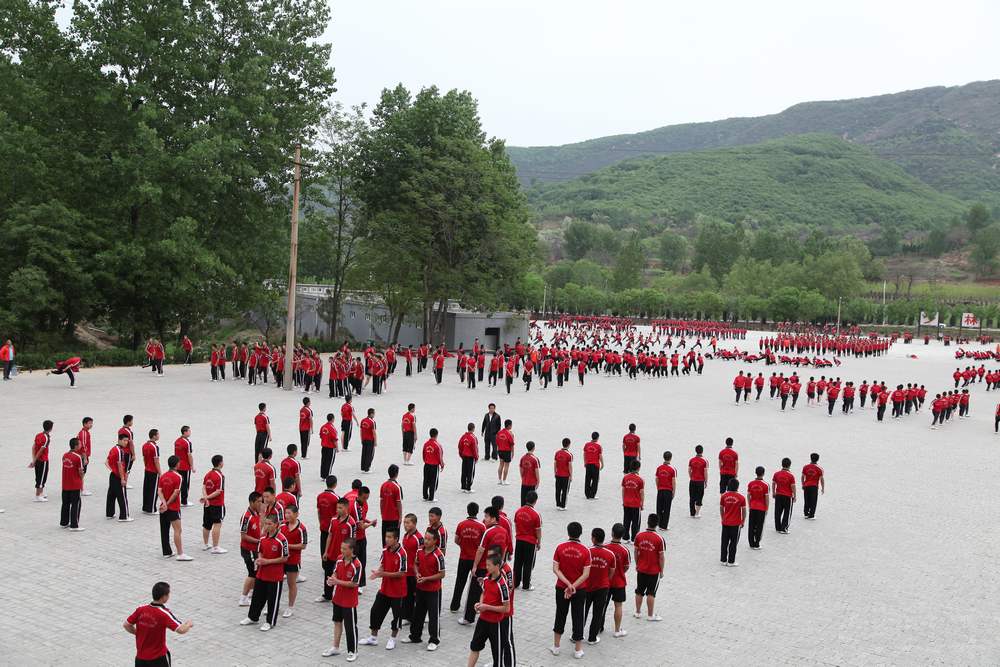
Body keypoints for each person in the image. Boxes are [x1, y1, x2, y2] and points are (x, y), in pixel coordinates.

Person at [124, 581, 193, 666]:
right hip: (158, 658)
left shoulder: (141, 609)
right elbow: (181, 630)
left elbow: (127, 625)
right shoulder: (164, 614)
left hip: (140, 659)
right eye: (168, 594)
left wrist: (137, 633)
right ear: (164, 597)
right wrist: (188, 624)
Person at [360, 528, 408, 650]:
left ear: (396, 539)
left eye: (390, 537)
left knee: (396, 617)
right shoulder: (385, 550)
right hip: (385, 589)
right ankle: (373, 637)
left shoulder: (402, 554)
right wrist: (378, 572)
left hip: (398, 592)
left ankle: (392, 639)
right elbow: (383, 565)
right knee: (375, 611)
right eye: (386, 536)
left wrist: (383, 574)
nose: (387, 539)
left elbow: (402, 573)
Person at [550, 521, 591, 659]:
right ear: (580, 533)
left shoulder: (560, 547)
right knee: (578, 616)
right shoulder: (586, 550)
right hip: (579, 590)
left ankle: (556, 646)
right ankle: (578, 650)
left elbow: (555, 569)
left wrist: (567, 584)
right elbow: (586, 574)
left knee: (560, 614)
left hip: (561, 588)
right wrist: (573, 586)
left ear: (568, 532)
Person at [241, 513, 288, 632]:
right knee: (257, 597)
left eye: (270, 524)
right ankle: (253, 617)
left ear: (277, 525)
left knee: (273, 599)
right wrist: (260, 559)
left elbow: (285, 558)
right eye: (265, 523)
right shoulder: (262, 537)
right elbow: (259, 551)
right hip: (262, 573)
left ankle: (269, 621)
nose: (267, 526)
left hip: (275, 576)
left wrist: (268, 561)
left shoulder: (282, 540)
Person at [466, 551, 513, 667]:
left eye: (489, 565)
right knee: (474, 646)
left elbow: (506, 608)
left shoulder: (503, 585)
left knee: (497, 655)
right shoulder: (486, 578)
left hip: (495, 624)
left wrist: (487, 607)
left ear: (497, 566)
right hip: (482, 621)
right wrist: (480, 604)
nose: (486, 567)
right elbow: (484, 592)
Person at [462, 506, 507, 626]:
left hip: (483, 565)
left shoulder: (488, 531)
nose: (484, 519)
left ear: (493, 518)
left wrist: (475, 566)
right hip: (496, 567)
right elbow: (505, 548)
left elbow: (480, 550)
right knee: (489, 591)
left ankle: (468, 617)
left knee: (473, 592)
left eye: (486, 517)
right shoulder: (504, 531)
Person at [406, 529, 446, 650]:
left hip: (433, 590)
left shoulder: (439, 556)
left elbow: (442, 574)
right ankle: (415, 636)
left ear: (435, 541)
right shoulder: (420, 550)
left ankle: (434, 640)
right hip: (420, 588)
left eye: (429, 539)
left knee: (433, 615)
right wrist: (417, 573)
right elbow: (415, 564)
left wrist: (427, 579)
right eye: (425, 538)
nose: (426, 541)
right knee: (418, 613)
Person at [319, 497, 357, 602]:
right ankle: (327, 595)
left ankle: (341, 597)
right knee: (328, 574)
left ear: (346, 508)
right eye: (337, 508)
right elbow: (330, 536)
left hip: (343, 556)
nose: (337, 510)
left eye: (340, 508)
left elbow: (353, 541)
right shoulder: (333, 520)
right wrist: (326, 551)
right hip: (331, 553)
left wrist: (349, 556)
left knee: (342, 576)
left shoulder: (351, 523)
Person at [452, 502, 486, 612]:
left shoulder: (461, 524)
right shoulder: (482, 526)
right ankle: (473, 608)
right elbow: (483, 544)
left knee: (459, 582)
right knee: (475, 586)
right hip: (475, 560)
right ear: (477, 511)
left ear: (467, 511)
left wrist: (463, 546)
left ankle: (454, 606)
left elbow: (456, 540)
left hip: (463, 558)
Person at [584, 527, 615, 645]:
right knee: (598, 613)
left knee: (583, 611)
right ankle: (592, 637)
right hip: (602, 587)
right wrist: (606, 580)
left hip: (587, 586)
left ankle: (577, 634)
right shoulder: (610, 554)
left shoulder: (587, 551)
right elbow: (612, 571)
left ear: (593, 538)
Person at [158, 455, 192, 561]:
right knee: (178, 530)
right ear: (177, 464)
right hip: (173, 508)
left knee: (164, 530)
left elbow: (159, 491)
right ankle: (180, 553)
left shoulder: (163, 476)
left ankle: (166, 552)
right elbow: (176, 493)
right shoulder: (178, 477)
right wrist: (167, 504)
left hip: (163, 507)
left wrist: (163, 503)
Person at [632, 513, 665, 622]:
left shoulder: (639, 535)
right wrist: (662, 571)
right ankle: (650, 615)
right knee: (651, 593)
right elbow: (661, 557)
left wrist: (637, 564)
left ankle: (637, 612)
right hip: (653, 570)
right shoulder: (659, 539)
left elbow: (636, 551)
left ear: (647, 522)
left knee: (639, 590)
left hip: (641, 569)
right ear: (657, 524)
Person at [279, 503, 307, 618]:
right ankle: (273, 604)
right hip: (280, 559)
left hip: (293, 560)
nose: (287, 515)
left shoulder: (302, 528)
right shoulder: (282, 526)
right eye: (286, 513)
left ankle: (290, 607)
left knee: (291, 584)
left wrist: (287, 546)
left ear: (296, 514)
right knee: (276, 583)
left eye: (289, 513)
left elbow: (303, 545)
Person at [604, 524, 631, 638]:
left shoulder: (605, 547)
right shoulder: (625, 550)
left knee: (602, 605)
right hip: (619, 582)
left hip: (606, 582)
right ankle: (617, 630)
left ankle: (599, 626)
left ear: (612, 533)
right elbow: (626, 566)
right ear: (623, 535)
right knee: (618, 606)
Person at [512, 490, 541, 590]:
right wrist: (539, 542)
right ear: (535, 501)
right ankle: (526, 584)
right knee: (528, 564)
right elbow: (538, 530)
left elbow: (516, 524)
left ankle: (515, 583)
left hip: (519, 539)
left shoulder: (518, 511)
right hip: (530, 541)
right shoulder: (536, 514)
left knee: (518, 562)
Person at [239, 492, 263, 607]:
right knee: (252, 573)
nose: (261, 503)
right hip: (248, 550)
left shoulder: (257, 513)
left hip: (255, 549)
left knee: (256, 571)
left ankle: (252, 592)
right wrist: (258, 541)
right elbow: (243, 536)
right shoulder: (246, 517)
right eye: (258, 501)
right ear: (252, 502)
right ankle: (243, 598)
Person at [200, 454, 227, 553]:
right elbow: (218, 491)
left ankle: (206, 544)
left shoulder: (208, 474)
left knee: (206, 524)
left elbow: (203, 487)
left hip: (207, 504)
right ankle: (216, 547)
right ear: (220, 463)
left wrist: (205, 498)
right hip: (217, 504)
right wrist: (207, 497)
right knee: (217, 524)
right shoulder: (220, 476)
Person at [60, 437, 85, 531]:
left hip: (65, 484)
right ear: (76, 446)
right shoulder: (78, 457)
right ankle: (74, 525)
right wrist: (81, 480)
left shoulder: (65, 455)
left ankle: (64, 522)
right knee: (76, 504)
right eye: (79, 444)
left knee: (65, 503)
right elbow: (81, 471)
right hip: (75, 484)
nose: (81, 445)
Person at [719, 478, 746, 566]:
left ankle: (723, 560)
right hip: (736, 523)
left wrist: (723, 518)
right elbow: (744, 511)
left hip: (725, 522)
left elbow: (721, 508)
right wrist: (743, 521)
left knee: (724, 541)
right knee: (733, 543)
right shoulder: (741, 498)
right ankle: (731, 561)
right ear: (737, 487)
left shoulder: (724, 496)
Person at [106, 433, 132, 521]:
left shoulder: (113, 449)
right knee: (122, 496)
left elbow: (106, 462)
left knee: (111, 495)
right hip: (118, 476)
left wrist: (112, 469)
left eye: (127, 441)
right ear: (119, 440)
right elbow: (120, 465)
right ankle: (124, 516)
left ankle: (109, 513)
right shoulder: (120, 451)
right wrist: (122, 478)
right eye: (124, 441)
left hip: (113, 475)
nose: (126, 443)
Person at [380, 465, 404, 546]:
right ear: (397, 474)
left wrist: (382, 513)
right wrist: (400, 517)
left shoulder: (383, 485)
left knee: (385, 537)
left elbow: (381, 501)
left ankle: (385, 552)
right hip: (394, 517)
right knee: (394, 538)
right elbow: (398, 503)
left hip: (385, 517)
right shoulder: (397, 487)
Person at [30, 420, 53, 502]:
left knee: (39, 476)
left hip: (37, 460)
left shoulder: (38, 435)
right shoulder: (46, 438)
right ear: (51, 428)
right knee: (42, 477)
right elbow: (41, 450)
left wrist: (34, 459)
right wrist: (34, 460)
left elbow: (33, 447)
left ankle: (41, 493)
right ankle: (38, 495)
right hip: (43, 460)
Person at [621, 460, 644, 542]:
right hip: (635, 504)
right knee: (635, 522)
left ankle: (625, 537)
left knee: (626, 520)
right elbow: (641, 493)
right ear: (638, 468)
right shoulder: (640, 480)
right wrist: (642, 504)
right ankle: (634, 539)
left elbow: (623, 490)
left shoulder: (625, 477)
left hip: (626, 503)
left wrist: (623, 500)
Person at [746, 467, 768, 550]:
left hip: (752, 506)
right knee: (759, 526)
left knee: (751, 525)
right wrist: (767, 508)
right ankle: (757, 543)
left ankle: (751, 542)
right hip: (761, 508)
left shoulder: (751, 483)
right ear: (763, 473)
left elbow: (748, 495)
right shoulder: (765, 485)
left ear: (755, 472)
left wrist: (749, 505)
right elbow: (766, 498)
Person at [772, 457, 796, 534]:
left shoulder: (776, 474)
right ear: (789, 465)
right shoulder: (791, 476)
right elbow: (793, 486)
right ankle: (784, 528)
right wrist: (794, 495)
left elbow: (773, 483)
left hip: (778, 495)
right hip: (787, 496)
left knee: (777, 511)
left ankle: (778, 527)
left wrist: (773, 492)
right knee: (787, 512)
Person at [141, 430, 162, 514]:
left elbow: (144, 458)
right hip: (153, 471)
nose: (159, 436)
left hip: (147, 469)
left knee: (146, 489)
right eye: (158, 434)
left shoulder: (144, 445)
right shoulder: (155, 447)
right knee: (153, 490)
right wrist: (160, 472)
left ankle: (145, 507)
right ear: (154, 436)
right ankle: (152, 509)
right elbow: (156, 460)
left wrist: (146, 466)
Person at [654, 451, 676, 531]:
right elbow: (673, 481)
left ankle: (658, 523)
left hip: (660, 489)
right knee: (667, 508)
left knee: (659, 507)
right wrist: (673, 491)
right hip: (668, 490)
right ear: (670, 458)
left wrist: (658, 487)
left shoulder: (659, 468)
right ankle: (664, 526)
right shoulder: (672, 469)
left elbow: (656, 479)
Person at [422, 428, 445, 501]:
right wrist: (442, 464)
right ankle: (431, 497)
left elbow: (423, 454)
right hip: (434, 466)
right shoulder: (437, 445)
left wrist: (426, 461)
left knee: (426, 480)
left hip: (426, 465)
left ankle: (425, 496)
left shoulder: (426, 444)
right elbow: (440, 456)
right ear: (436, 435)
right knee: (433, 481)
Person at [174, 426, 195, 507]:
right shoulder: (187, 442)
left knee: (179, 483)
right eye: (189, 431)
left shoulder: (177, 441)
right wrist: (192, 466)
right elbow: (189, 455)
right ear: (185, 432)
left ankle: (177, 499)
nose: (190, 432)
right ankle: (184, 501)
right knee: (185, 484)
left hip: (178, 465)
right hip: (185, 466)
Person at [801, 453, 825, 519]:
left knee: (806, 500)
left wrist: (803, 484)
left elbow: (802, 477)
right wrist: (823, 488)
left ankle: (806, 513)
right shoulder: (819, 468)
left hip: (806, 486)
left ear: (810, 458)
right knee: (813, 500)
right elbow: (821, 479)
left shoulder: (805, 467)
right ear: (818, 459)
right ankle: (811, 515)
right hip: (814, 486)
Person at [459, 423, 479, 492]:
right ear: (473, 428)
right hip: (471, 457)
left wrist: (461, 455)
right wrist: (476, 457)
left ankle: (463, 486)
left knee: (464, 471)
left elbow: (460, 446)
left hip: (464, 456)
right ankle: (468, 488)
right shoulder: (473, 438)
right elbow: (475, 449)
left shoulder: (463, 436)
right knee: (470, 472)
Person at [518, 441, 540, 506]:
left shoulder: (522, 458)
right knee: (531, 501)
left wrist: (523, 477)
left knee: (523, 500)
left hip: (524, 482)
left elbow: (521, 470)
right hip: (532, 483)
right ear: (533, 448)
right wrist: (538, 481)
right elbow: (537, 471)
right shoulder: (535, 459)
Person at [688, 444, 707, 518]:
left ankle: (692, 512)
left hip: (692, 480)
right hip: (700, 481)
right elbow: (705, 472)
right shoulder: (704, 461)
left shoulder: (691, 460)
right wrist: (706, 481)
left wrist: (691, 477)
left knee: (692, 497)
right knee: (700, 496)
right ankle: (697, 513)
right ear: (702, 451)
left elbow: (689, 470)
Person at [553, 438, 573, 510]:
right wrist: (571, 475)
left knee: (558, 490)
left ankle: (558, 504)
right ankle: (563, 505)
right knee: (565, 491)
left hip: (558, 474)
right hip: (565, 475)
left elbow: (555, 463)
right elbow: (570, 466)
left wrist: (555, 471)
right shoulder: (569, 455)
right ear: (569, 444)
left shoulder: (557, 453)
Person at [583, 432, 603, 500]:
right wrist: (602, 464)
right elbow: (600, 456)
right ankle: (592, 494)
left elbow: (584, 454)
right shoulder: (598, 446)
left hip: (588, 464)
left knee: (587, 479)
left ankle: (587, 494)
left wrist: (585, 462)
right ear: (597, 438)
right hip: (595, 465)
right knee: (595, 480)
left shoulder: (586, 445)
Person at [319, 413, 339, 480]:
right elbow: (334, 439)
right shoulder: (332, 428)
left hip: (324, 446)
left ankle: (323, 475)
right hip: (330, 447)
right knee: (330, 462)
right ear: (333, 419)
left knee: (323, 461)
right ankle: (327, 475)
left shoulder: (323, 427)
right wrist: (337, 447)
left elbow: (321, 436)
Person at [77, 417, 94, 497]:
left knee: (82, 473)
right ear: (84, 424)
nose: (91, 425)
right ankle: (81, 489)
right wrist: (85, 458)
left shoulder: (86, 432)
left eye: (91, 423)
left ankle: (80, 488)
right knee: (81, 473)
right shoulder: (83, 433)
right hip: (82, 456)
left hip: (83, 456)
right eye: (89, 423)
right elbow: (83, 446)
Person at [495, 419, 515, 485]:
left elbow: (497, 442)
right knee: (506, 466)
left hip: (500, 450)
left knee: (501, 465)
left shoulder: (499, 432)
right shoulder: (510, 434)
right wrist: (513, 453)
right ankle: (504, 480)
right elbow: (512, 444)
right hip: (507, 451)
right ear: (509, 426)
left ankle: (499, 479)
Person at [360, 408, 378, 473]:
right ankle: (367, 468)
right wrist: (375, 441)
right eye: (374, 413)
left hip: (364, 439)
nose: (374, 415)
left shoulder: (363, 420)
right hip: (370, 440)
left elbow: (361, 430)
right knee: (369, 454)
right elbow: (374, 432)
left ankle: (363, 467)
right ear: (371, 414)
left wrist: (361, 438)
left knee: (364, 453)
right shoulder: (372, 422)